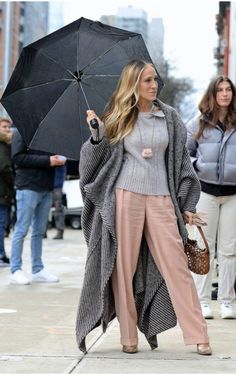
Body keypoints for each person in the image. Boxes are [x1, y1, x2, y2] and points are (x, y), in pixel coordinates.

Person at [76, 60, 212, 355]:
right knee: (122, 269)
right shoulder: (117, 116)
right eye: (147, 81)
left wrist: (186, 204)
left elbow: (181, 164)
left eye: (155, 80)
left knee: (177, 266)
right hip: (126, 197)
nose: (154, 85)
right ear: (133, 84)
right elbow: (93, 159)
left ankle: (198, 334)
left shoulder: (170, 117)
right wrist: (97, 134)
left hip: (162, 199)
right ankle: (128, 337)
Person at [186, 75, 236, 320]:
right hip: (205, 193)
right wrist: (200, 165)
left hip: (233, 196)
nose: (225, 94)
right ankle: (203, 301)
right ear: (212, 94)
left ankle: (227, 302)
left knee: (229, 251)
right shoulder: (199, 123)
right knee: (204, 249)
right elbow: (184, 153)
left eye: (228, 90)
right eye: (220, 90)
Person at [10, 129, 66, 285]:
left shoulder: (48, 134)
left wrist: (57, 158)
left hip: (46, 187)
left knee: (39, 231)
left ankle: (37, 269)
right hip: (27, 186)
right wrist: (48, 161)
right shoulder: (22, 131)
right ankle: (15, 269)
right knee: (21, 229)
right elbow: (17, 157)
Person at [0, 118, 14, 266]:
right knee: (1, 225)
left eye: (8, 127)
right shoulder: (2, 145)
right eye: (4, 127)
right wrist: (13, 183)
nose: (7, 129)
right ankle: (1, 255)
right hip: (2, 192)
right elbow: (4, 168)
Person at [52, 164, 66, 240]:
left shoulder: (60, 156)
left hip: (58, 185)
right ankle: (43, 231)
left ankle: (60, 231)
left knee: (58, 209)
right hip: (50, 184)